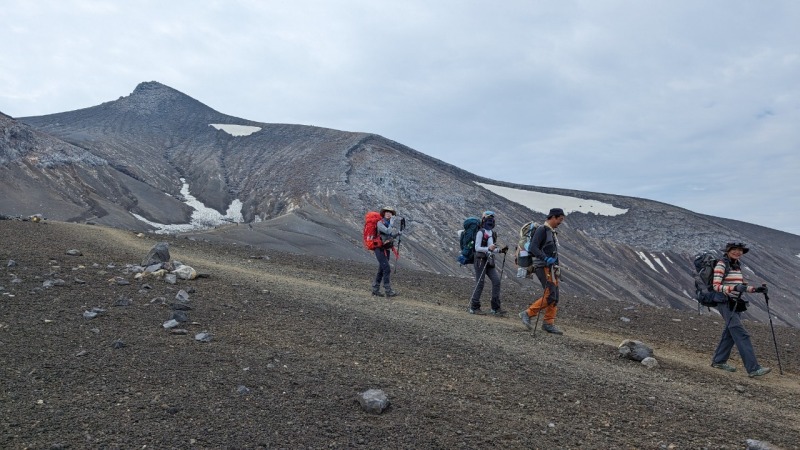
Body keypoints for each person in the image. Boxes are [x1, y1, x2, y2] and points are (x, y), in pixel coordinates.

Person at [709, 242, 771, 378]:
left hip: (735, 303)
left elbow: (739, 286)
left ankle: (718, 361)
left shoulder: (736, 265)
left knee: (730, 334)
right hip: (725, 302)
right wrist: (734, 289)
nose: (737, 252)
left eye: (740, 250)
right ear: (728, 251)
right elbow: (716, 286)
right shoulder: (722, 264)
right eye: (734, 250)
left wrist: (755, 289)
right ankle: (753, 368)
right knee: (741, 334)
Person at [520, 208, 566, 334]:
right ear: (553, 217)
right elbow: (534, 247)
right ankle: (527, 314)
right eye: (560, 219)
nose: (560, 222)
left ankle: (548, 323)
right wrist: (545, 258)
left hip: (552, 268)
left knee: (555, 295)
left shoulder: (551, 231)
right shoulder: (542, 230)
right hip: (543, 267)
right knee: (550, 294)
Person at [469, 211, 508, 315]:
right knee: (480, 283)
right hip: (480, 260)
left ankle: (495, 308)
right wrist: (488, 248)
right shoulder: (480, 232)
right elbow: (477, 248)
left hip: (488, 260)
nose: (490, 221)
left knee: (496, 281)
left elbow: (491, 248)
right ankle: (474, 307)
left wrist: (500, 250)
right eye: (489, 219)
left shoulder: (491, 233)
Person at [372, 206, 401, 297]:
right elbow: (387, 231)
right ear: (384, 213)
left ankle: (375, 289)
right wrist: (391, 223)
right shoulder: (380, 223)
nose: (388, 214)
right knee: (387, 269)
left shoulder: (388, 223)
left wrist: (398, 234)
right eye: (387, 212)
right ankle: (388, 290)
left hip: (386, 250)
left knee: (381, 269)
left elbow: (390, 236)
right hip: (379, 249)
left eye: (390, 213)